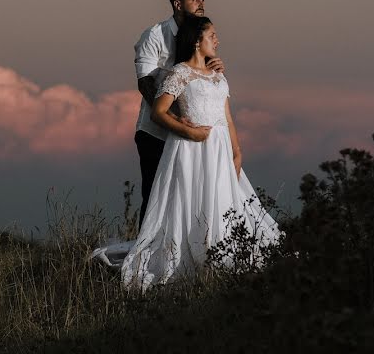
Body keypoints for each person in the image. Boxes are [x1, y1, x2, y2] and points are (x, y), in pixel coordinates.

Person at [116, 15, 281, 290]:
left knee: (224, 201)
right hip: (191, 149)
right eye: (212, 35)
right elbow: (158, 112)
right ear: (196, 42)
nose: (217, 40)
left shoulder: (218, 75)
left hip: (219, 148)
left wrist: (237, 151)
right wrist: (189, 132)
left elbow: (227, 117)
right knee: (193, 199)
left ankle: (223, 250)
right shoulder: (179, 73)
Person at [133, 0, 224, 227]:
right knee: (155, 198)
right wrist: (173, 119)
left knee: (189, 199)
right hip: (156, 133)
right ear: (177, 3)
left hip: (192, 137)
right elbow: (145, 84)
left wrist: (215, 68)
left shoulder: (202, 38)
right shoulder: (154, 35)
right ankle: (144, 257)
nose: (201, 5)